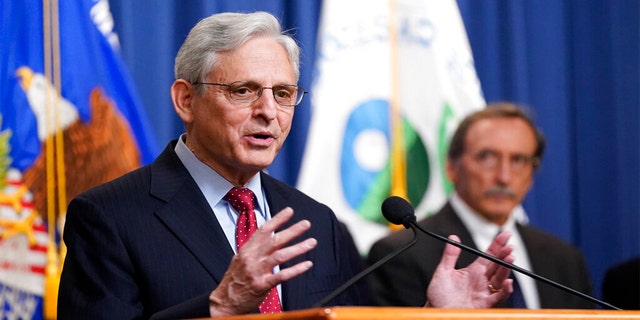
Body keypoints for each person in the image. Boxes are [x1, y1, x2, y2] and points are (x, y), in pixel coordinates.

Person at [58, 12, 516, 319]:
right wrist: (221, 305)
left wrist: (435, 317)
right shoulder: (110, 217)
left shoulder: (317, 223)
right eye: (243, 90)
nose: (268, 112)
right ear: (186, 99)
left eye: (283, 94)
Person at [368, 103, 594, 309]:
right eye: (487, 157)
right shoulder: (401, 254)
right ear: (452, 167)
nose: (504, 177)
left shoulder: (565, 259)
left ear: (531, 175)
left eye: (518, 161)